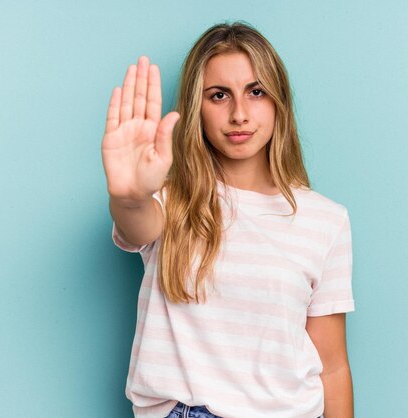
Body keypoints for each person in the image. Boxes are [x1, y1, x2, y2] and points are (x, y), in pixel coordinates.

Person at [101, 21, 355, 418]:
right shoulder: (170, 201)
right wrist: (129, 196)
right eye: (218, 95)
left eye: (256, 92)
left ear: (278, 102)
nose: (239, 114)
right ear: (196, 108)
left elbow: (333, 365)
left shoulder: (326, 220)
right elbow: (136, 221)